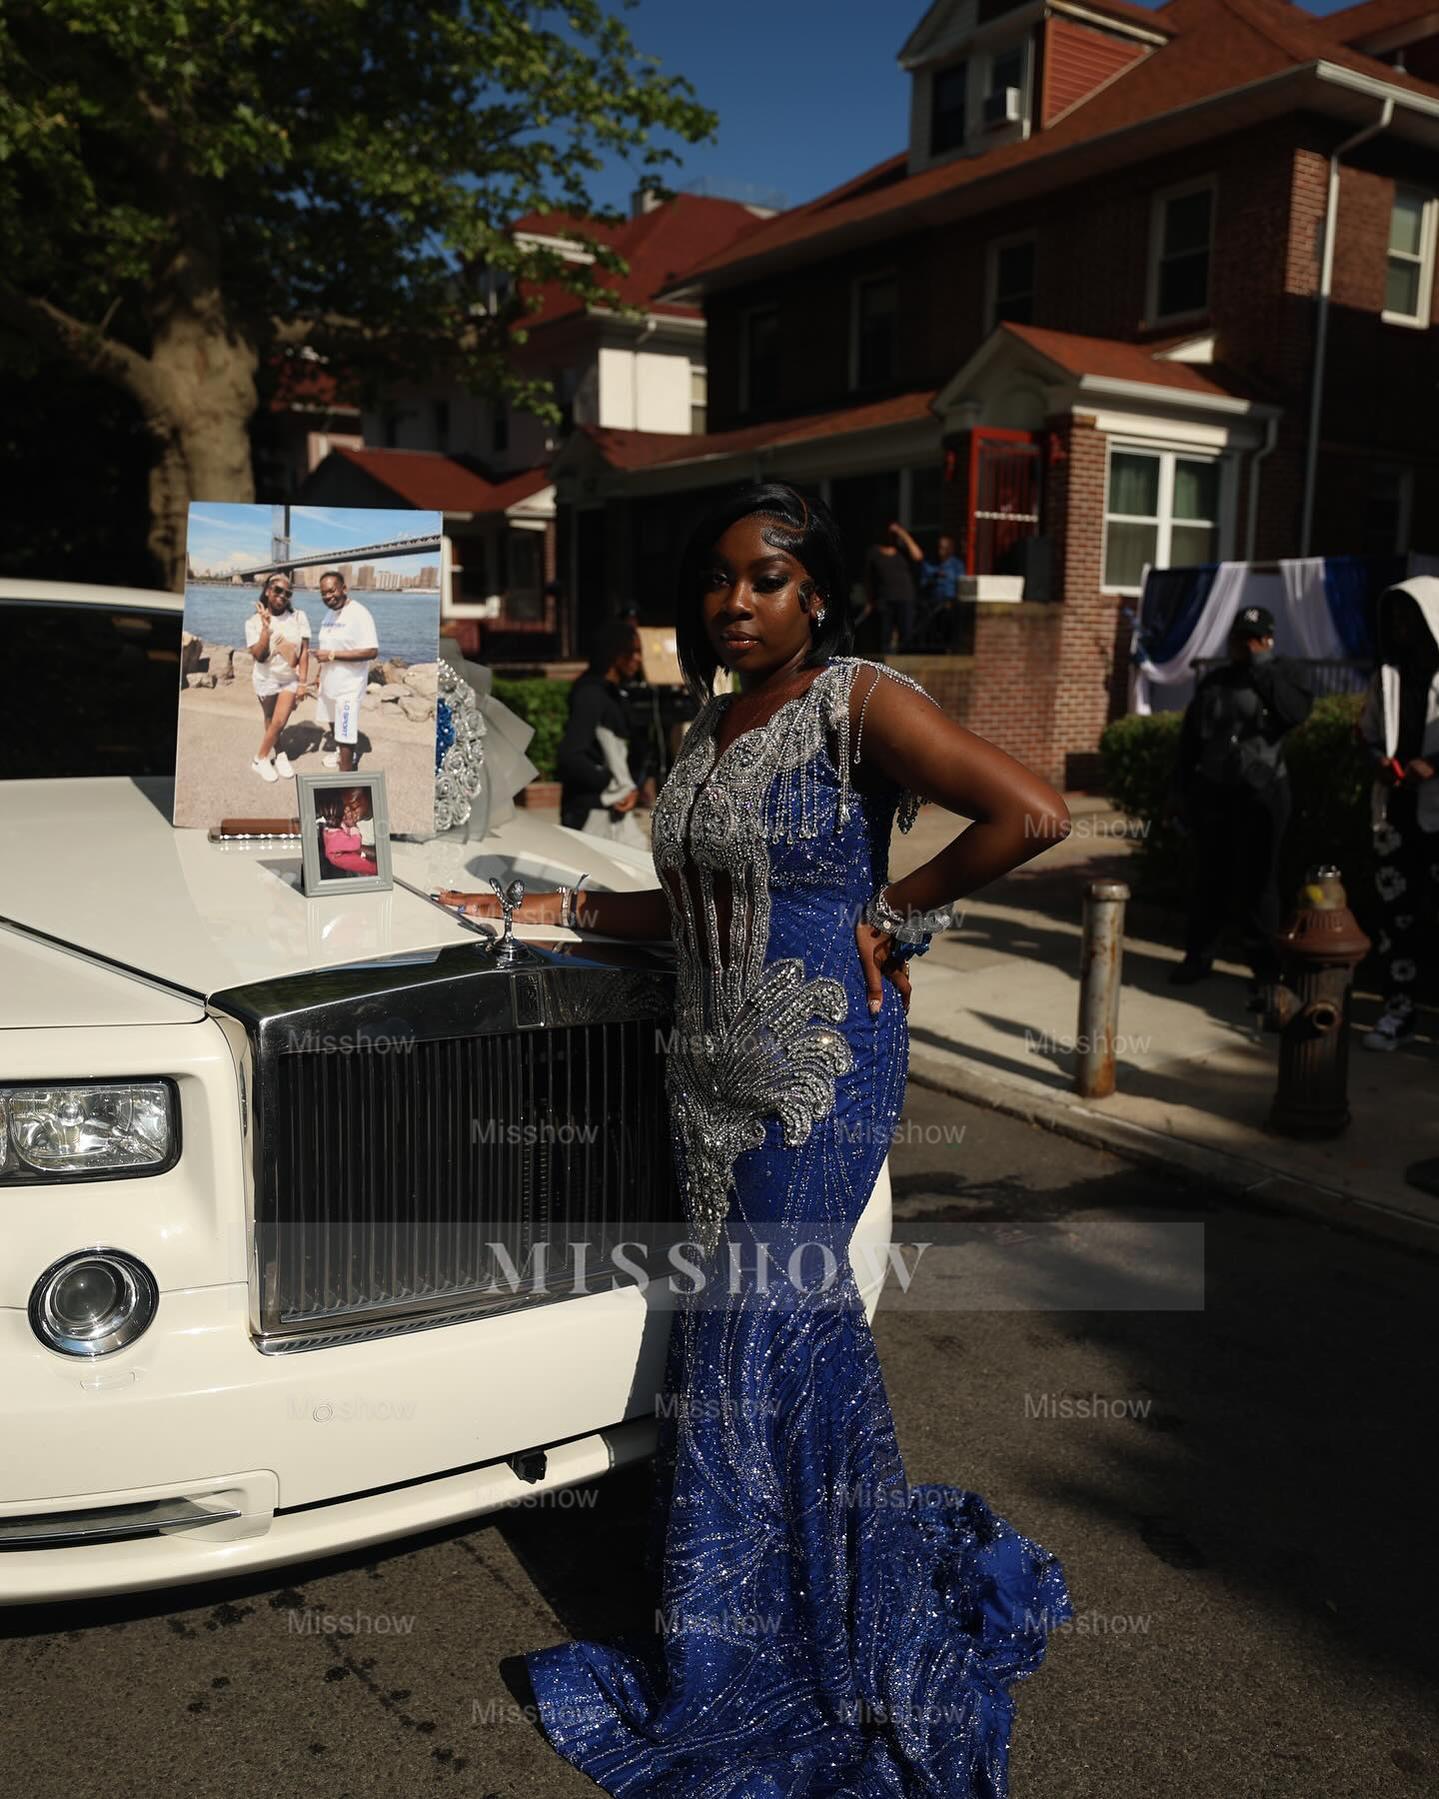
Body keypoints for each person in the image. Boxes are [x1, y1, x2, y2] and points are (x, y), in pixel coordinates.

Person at [439, 480, 1075, 1795]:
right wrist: (543, 905)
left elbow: (1030, 811)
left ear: (818, 592)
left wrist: (896, 910)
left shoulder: (857, 697)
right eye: (719, 579)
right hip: (704, 1074)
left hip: (812, 1068)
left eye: (764, 578)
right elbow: (681, 908)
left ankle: (782, 1645)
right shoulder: (713, 719)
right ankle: (803, 1586)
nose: (733, 601)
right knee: (774, 1333)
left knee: (754, 1325)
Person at [1168, 603, 1313, 996]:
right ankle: (1198, 955)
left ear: (1267, 640)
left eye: (1252, 639)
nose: (1242, 647)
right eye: (1237, 639)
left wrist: (1262, 666)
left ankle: (1265, 968)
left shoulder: (1285, 674)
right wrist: (1181, 792)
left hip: (1263, 793)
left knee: (1260, 880)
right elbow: (1190, 741)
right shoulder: (1216, 681)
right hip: (1215, 792)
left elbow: (1294, 712)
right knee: (1209, 878)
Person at [1358, 578, 1439, 1050]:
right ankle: (1398, 1011)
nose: (1402, 626)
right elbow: (1366, 734)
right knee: (1397, 920)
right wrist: (1378, 765)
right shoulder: (1386, 678)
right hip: (1395, 818)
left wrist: (1434, 765)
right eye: (1395, 617)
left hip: (1437, 815)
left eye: (1411, 616)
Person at [556, 618, 647, 847]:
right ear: (615, 653)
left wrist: (630, 789)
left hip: (613, 813)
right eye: (632, 652)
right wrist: (610, 784)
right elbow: (571, 756)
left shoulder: (614, 695)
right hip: (591, 814)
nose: (638, 659)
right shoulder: (591, 695)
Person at [244, 571, 310, 783]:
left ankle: (259, 758)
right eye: (277, 590)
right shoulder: (253, 622)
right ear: (267, 591)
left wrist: (302, 683)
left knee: (280, 720)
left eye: (287, 592)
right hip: (266, 678)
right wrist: (266, 629)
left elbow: (305, 652)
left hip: (290, 677)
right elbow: (259, 657)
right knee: (271, 720)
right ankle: (280, 754)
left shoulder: (299, 617)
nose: (282, 595)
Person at [313, 570, 378, 774]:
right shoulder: (329, 614)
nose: (328, 596)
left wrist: (332, 655)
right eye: (323, 593)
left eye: (331, 591)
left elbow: (372, 651)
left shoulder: (359, 613)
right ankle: (341, 754)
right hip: (329, 682)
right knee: (334, 723)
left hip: (349, 685)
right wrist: (318, 674)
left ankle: (346, 779)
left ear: (344, 588)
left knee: (346, 732)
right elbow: (326, 646)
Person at [889, 521, 965, 647]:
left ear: (951, 549)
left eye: (945, 548)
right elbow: (923, 583)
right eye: (939, 547)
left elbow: (961, 585)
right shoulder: (930, 564)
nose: (941, 551)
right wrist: (934, 578)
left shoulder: (957, 565)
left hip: (950, 604)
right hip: (932, 603)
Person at [862, 525, 916, 652]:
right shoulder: (874, 552)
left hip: (905, 596)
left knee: (906, 632)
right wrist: (869, 600)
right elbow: (868, 578)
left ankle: (905, 659)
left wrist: (904, 535)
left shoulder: (903, 551)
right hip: (885, 597)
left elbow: (918, 556)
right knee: (885, 633)